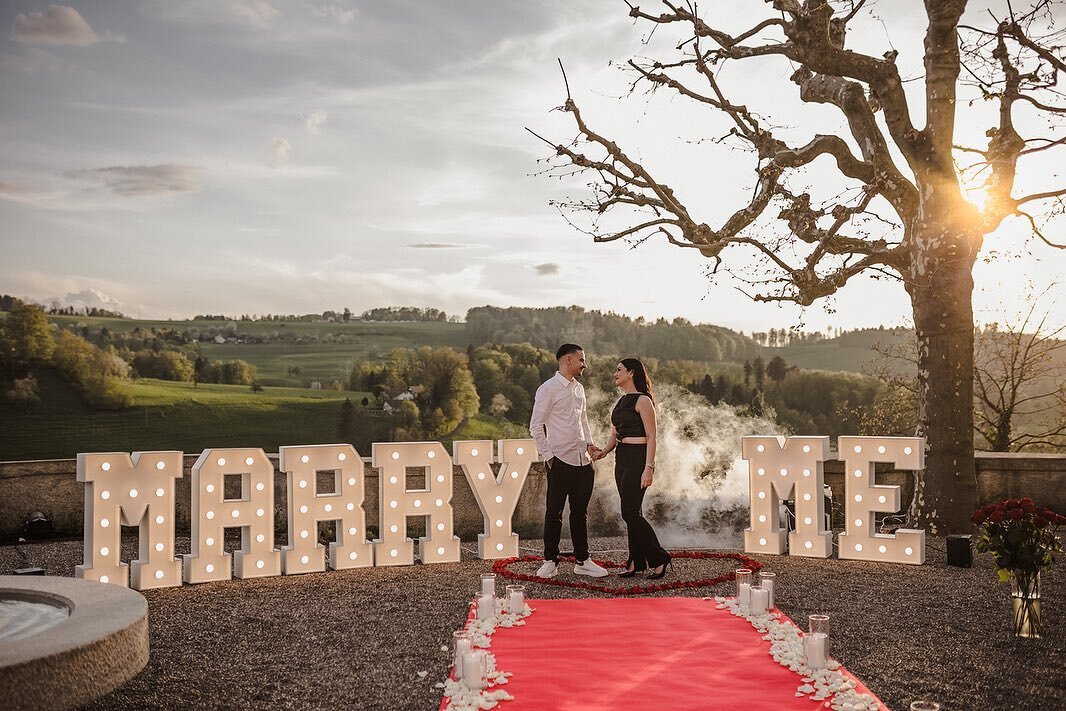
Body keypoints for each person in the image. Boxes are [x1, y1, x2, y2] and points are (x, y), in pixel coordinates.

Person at [529, 343, 609, 578]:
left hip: (583, 461)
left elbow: (583, 420)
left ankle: (582, 561)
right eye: (581, 360)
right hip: (559, 460)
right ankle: (549, 561)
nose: (585, 364)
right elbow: (535, 426)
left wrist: (590, 444)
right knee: (553, 512)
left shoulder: (579, 389)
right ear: (567, 360)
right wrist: (549, 457)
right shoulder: (548, 389)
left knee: (580, 513)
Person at [593, 358, 671, 579]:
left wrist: (649, 467)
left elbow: (652, 437)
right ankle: (635, 562)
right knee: (631, 513)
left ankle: (659, 558)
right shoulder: (620, 402)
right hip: (622, 458)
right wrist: (604, 452)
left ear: (632, 373)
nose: (615, 374)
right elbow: (614, 434)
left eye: (619, 370)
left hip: (639, 459)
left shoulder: (643, 401)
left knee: (630, 512)